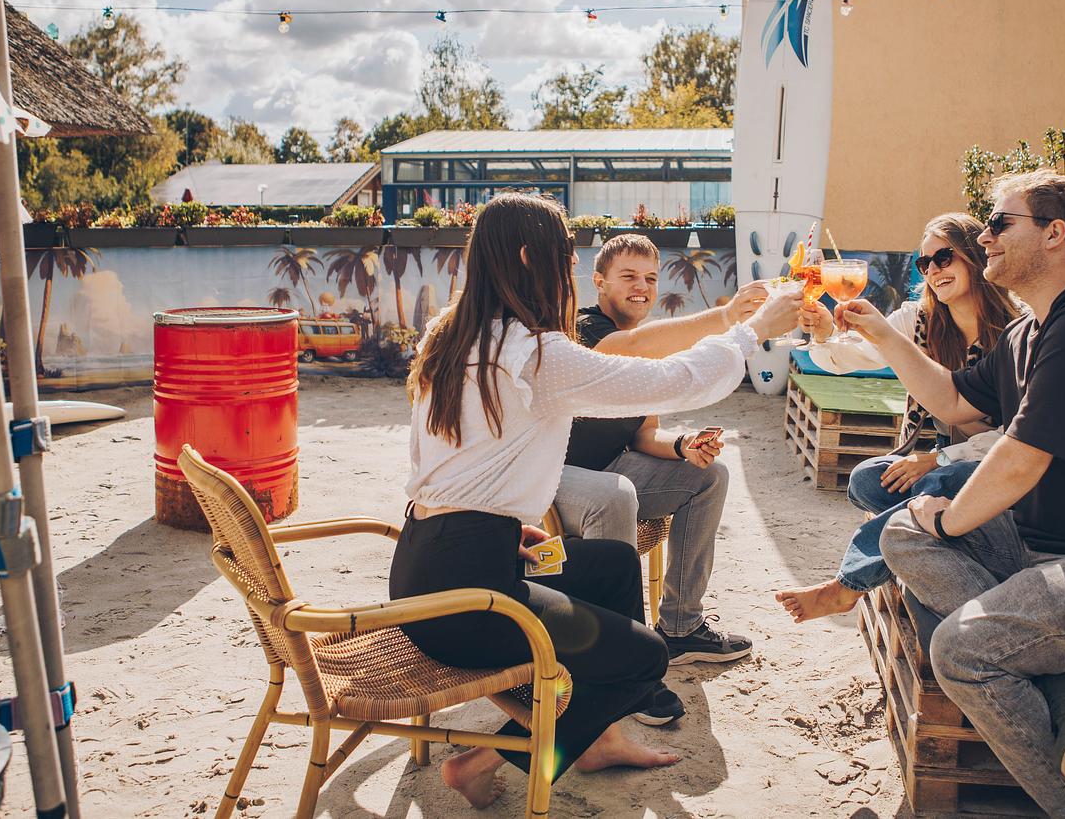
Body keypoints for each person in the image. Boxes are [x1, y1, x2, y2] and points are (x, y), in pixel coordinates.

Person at [392, 193, 801, 810]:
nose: (572, 269)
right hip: (469, 601)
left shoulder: (453, 336)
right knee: (645, 659)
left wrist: (498, 523)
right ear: (529, 258)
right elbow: (672, 379)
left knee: (612, 564)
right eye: (566, 255)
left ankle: (597, 737)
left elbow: (449, 459)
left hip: (426, 566)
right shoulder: (533, 354)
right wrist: (751, 332)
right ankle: (484, 761)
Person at [832, 171, 1065, 818]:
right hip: (1058, 548)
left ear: (1055, 233)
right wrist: (881, 334)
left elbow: (1021, 457)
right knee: (901, 532)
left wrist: (950, 522)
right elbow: (953, 399)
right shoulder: (1028, 332)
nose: (983, 236)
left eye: (998, 223)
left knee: (960, 650)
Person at [553, 234, 769, 725]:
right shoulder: (586, 330)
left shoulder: (646, 348)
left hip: (614, 468)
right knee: (616, 494)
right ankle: (621, 659)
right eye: (628, 276)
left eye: (650, 278)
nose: (642, 287)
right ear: (599, 281)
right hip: (558, 478)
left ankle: (679, 628)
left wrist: (683, 446)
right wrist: (729, 317)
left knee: (709, 476)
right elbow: (628, 347)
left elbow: (644, 434)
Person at [774, 213, 1020, 623]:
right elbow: (851, 356)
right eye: (925, 263)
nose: (934, 270)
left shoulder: (1015, 330)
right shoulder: (917, 320)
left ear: (975, 255)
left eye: (944, 257)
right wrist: (824, 332)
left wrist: (936, 461)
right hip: (945, 456)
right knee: (866, 479)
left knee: (943, 479)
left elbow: (1018, 436)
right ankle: (937, 515)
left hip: (999, 467)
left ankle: (846, 587)